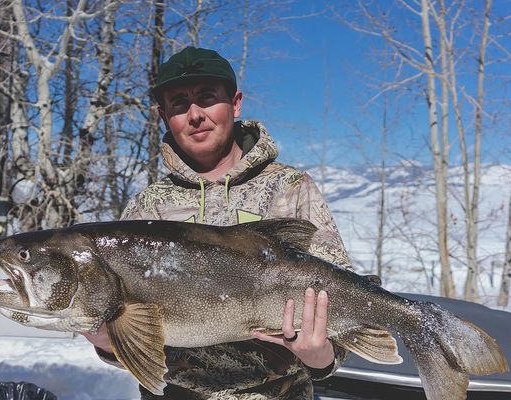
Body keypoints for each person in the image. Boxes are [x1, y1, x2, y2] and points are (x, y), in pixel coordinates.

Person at [84, 46, 353, 399]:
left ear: (235, 103)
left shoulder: (290, 189)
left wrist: (321, 357)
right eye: (179, 103)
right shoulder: (147, 209)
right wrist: (107, 343)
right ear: (165, 117)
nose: (195, 115)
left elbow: (345, 304)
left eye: (207, 98)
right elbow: (135, 348)